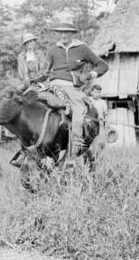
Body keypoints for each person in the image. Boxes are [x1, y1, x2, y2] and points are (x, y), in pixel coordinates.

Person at [46, 22, 109, 158]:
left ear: (72, 34)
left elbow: (103, 65)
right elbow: (45, 71)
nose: (63, 35)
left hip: (73, 88)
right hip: (53, 86)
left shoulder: (82, 48)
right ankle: (26, 151)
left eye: (67, 32)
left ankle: (74, 150)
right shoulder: (52, 50)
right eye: (60, 32)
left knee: (79, 113)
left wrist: (91, 74)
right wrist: (35, 79)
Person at [89, 84, 109, 153]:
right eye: (95, 92)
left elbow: (106, 114)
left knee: (101, 143)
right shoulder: (88, 100)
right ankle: (89, 158)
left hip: (100, 125)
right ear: (91, 92)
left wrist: (107, 123)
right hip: (89, 125)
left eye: (98, 92)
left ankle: (98, 157)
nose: (97, 94)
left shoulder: (103, 102)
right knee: (89, 143)